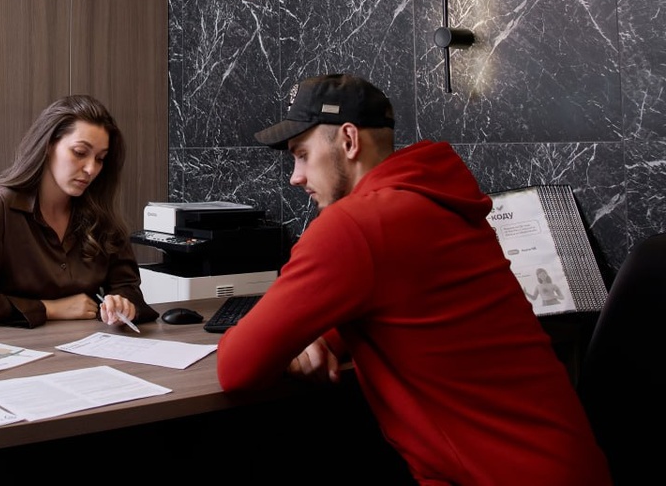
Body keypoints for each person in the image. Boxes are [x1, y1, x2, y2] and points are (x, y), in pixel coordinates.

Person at [216, 74, 611, 485]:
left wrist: (287, 338)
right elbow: (393, 305)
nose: (295, 176)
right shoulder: (434, 202)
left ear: (348, 141)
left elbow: (236, 368)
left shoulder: (353, 226)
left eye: (302, 154)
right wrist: (317, 336)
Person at [0, 94, 158, 328]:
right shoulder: (4, 205)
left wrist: (123, 304)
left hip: (89, 343)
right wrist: (51, 308)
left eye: (100, 159)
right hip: (21, 345)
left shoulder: (100, 211)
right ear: (48, 146)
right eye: (80, 152)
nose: (91, 169)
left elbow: (129, 288)